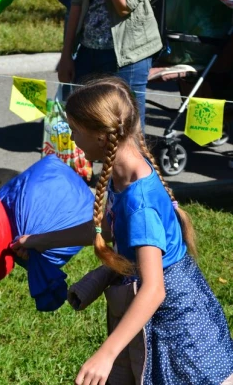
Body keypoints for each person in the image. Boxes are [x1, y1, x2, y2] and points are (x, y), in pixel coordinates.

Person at [12, 76, 233, 385]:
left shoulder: (139, 204)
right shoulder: (127, 170)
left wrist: (106, 353)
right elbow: (109, 228)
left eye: (75, 130)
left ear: (102, 137)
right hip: (161, 319)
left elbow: (154, 290)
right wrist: (40, 241)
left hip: (179, 332)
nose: (72, 138)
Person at [58, 0, 162, 127]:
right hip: (87, 52)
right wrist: (66, 54)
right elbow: (77, 1)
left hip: (128, 57)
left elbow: (125, 6)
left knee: (126, 130)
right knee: (85, 127)